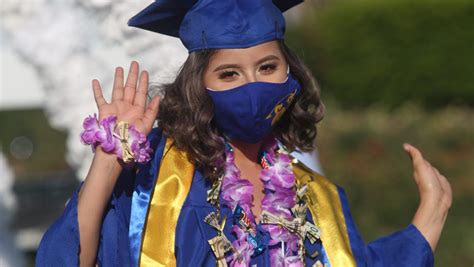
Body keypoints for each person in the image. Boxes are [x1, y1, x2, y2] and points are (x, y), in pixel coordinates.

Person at [35, 0, 452, 266]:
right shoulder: (154, 178)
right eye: (229, 74)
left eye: (267, 68)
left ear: (291, 74)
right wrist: (108, 163)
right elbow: (69, 259)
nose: (253, 86)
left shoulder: (317, 196)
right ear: (199, 86)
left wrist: (432, 212)